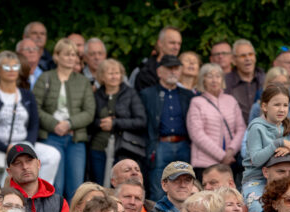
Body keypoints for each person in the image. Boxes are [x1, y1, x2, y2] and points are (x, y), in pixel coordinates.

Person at [34, 38, 95, 199]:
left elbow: (89, 111)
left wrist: (69, 123)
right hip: (51, 137)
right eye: (66, 54)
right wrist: (54, 124)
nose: (70, 58)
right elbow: (35, 108)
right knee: (55, 185)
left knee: (76, 188)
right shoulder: (45, 78)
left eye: (74, 55)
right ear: (56, 56)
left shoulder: (82, 82)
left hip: (75, 139)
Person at [242, 83, 290, 212]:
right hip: (256, 180)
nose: (281, 109)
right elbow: (256, 160)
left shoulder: (289, 128)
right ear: (264, 107)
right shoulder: (256, 128)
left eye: (285, 105)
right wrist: (278, 143)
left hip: (285, 179)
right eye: (276, 105)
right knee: (259, 206)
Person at [141, 54, 194, 201]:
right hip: (159, 145)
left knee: (186, 189)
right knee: (158, 189)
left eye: (176, 68)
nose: (173, 72)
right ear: (159, 72)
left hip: (184, 144)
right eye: (169, 68)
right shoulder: (147, 94)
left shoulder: (188, 95)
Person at [89, 59, 147, 184]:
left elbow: (141, 121)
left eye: (117, 73)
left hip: (123, 148)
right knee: (99, 184)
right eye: (110, 73)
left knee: (121, 185)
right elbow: (89, 120)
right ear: (102, 76)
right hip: (98, 147)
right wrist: (100, 123)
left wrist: (115, 123)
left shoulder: (130, 93)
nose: (114, 76)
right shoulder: (95, 95)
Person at [5, 142, 69, 212]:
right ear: (9, 171)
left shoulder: (60, 203)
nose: (25, 167)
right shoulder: (3, 201)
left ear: (38, 164)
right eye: (18, 163)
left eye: (29, 161)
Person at [187, 63, 245, 178]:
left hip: (230, 162)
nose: (214, 80)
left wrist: (231, 151)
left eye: (218, 76)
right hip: (205, 162)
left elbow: (241, 128)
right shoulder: (196, 102)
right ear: (203, 80)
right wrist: (222, 156)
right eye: (209, 76)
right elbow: (197, 134)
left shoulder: (231, 100)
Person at [223, 39, 265, 123]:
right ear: (234, 61)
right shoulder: (225, 82)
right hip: (236, 133)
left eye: (250, 54)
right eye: (243, 56)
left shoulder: (265, 79)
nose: (248, 58)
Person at [133, 26, 182, 91]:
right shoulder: (146, 73)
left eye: (179, 44)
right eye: (172, 43)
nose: (176, 47)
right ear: (160, 43)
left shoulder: (183, 69)